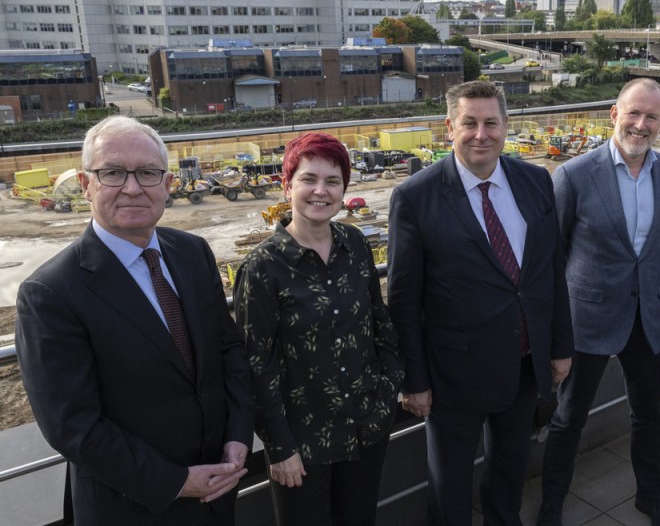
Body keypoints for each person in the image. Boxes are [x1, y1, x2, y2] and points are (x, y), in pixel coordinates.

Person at [15, 115, 254, 526]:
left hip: (217, 494)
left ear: (166, 184)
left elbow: (228, 350)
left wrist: (237, 435)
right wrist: (176, 481)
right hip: (130, 508)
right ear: (86, 184)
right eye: (112, 172)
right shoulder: (51, 292)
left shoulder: (193, 252)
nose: (132, 188)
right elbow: (72, 425)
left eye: (147, 173)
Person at [387, 80, 574, 525]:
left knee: (509, 476)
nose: (480, 134)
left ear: (506, 126)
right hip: (453, 377)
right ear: (449, 127)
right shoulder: (415, 197)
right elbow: (402, 300)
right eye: (469, 123)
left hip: (523, 365)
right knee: (449, 487)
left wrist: (561, 346)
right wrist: (414, 379)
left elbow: (551, 271)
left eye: (491, 123)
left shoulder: (534, 180)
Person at [234, 132, 402, 526]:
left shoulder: (355, 244)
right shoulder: (263, 268)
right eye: (309, 179)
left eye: (333, 181)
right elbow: (256, 365)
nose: (320, 191)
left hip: (365, 427)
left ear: (345, 188)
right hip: (303, 445)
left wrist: (386, 393)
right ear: (286, 184)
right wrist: (279, 448)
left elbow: (380, 323)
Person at [537, 78, 660, 526]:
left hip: (648, 318)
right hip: (589, 318)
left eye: (652, 117)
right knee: (568, 419)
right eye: (634, 113)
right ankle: (552, 502)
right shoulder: (574, 174)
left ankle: (649, 496)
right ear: (614, 115)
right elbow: (554, 256)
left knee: (648, 414)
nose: (641, 125)